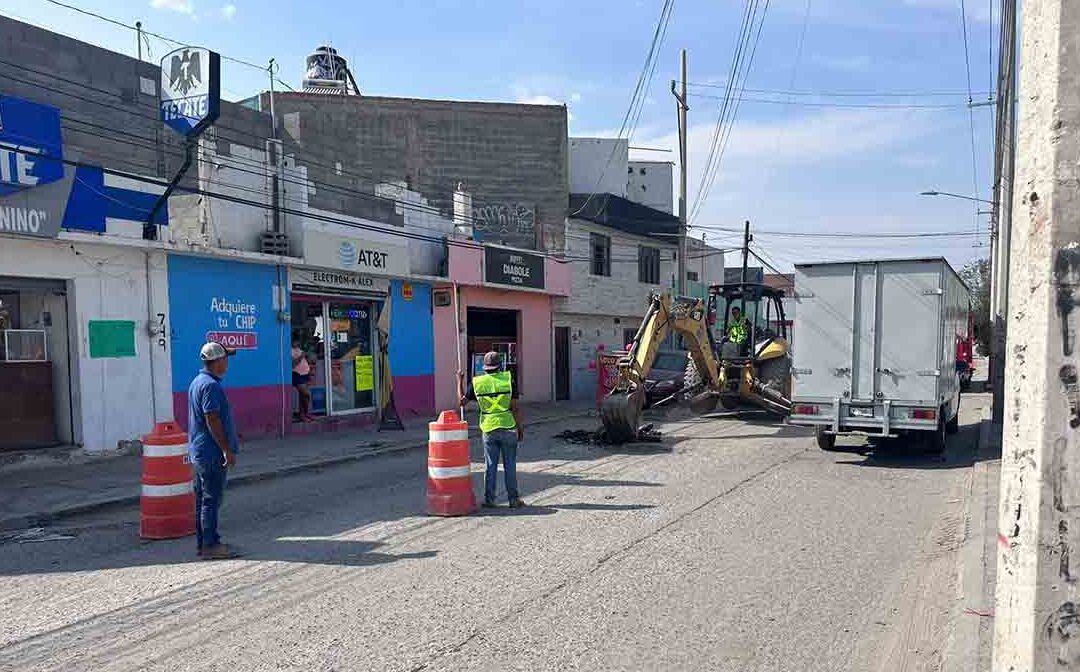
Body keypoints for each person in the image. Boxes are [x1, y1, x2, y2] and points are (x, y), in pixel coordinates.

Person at [188, 341, 240, 560]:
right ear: (216, 361)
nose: (227, 363)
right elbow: (212, 419)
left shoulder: (198, 382)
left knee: (203, 499)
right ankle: (210, 545)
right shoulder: (210, 386)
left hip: (200, 451)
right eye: (225, 358)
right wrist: (226, 450)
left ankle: (204, 543)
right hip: (210, 452)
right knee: (211, 499)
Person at [457, 352, 525, 508]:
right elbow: (515, 408)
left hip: (488, 428)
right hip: (508, 427)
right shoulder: (508, 380)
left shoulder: (477, 383)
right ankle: (513, 499)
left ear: (485, 367)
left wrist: (459, 381)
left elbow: (461, 403)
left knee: (490, 465)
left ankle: (489, 500)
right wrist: (520, 428)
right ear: (500, 366)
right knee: (510, 465)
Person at [291, 336, 314, 422]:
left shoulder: (299, 349)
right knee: (306, 394)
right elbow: (293, 364)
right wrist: (301, 356)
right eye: (296, 341)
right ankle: (305, 413)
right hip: (297, 374)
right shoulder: (289, 350)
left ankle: (303, 414)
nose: (297, 343)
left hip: (305, 374)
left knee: (302, 396)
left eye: (298, 342)